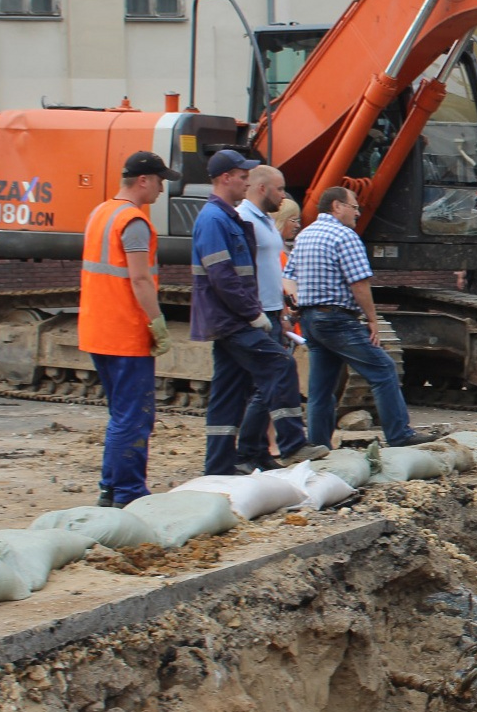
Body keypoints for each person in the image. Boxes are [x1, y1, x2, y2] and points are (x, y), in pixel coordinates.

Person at [191, 149, 324, 475]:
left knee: (229, 393)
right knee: (279, 364)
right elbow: (222, 275)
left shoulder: (228, 217)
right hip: (232, 319)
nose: (246, 181)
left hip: (232, 318)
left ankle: (222, 464)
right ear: (225, 178)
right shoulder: (214, 219)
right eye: (241, 175)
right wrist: (252, 314)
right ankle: (292, 443)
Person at [289, 185, 432, 449]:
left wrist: (297, 304)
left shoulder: (305, 235)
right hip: (336, 318)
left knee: (321, 388)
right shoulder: (345, 236)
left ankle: (318, 444)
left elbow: (289, 277)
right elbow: (359, 283)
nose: (357, 213)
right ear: (337, 206)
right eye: (354, 207)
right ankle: (399, 434)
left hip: (311, 319)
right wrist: (372, 319)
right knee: (383, 370)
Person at [78, 150, 178, 506]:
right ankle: (129, 492)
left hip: (97, 329)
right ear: (143, 181)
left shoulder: (100, 213)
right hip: (125, 332)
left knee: (121, 414)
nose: (162, 190)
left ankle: (111, 488)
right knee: (135, 417)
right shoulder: (133, 221)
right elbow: (139, 279)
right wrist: (158, 323)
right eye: (160, 181)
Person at [236, 165, 299, 470]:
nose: (283, 194)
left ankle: (257, 451)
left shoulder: (263, 220)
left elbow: (272, 266)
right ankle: (252, 450)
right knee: (269, 381)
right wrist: (255, 310)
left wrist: (284, 306)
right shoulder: (245, 218)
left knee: (268, 384)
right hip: (259, 312)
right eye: (279, 188)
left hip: (273, 310)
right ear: (262, 188)